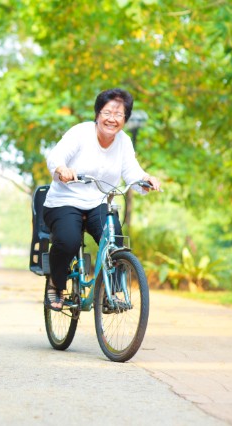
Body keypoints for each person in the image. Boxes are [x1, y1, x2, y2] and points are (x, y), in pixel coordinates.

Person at [42, 88, 161, 310]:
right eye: (107, 113)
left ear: (125, 119)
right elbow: (56, 156)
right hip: (64, 201)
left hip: (97, 202)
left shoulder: (124, 142)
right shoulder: (80, 133)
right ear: (97, 114)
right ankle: (56, 283)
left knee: (114, 238)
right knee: (67, 240)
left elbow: (132, 171)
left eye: (119, 115)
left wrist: (146, 179)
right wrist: (62, 169)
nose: (112, 119)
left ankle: (111, 292)